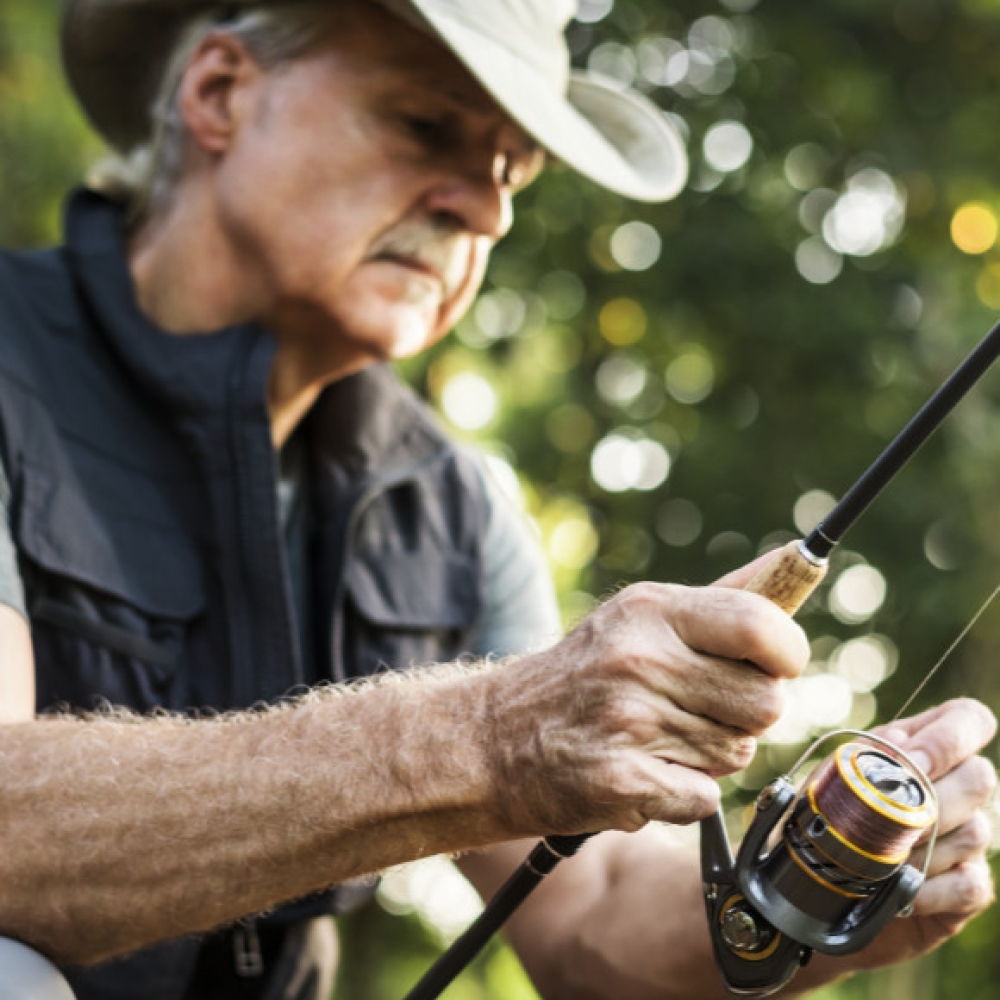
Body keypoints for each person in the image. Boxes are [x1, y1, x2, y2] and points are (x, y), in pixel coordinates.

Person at [0, 1, 993, 998]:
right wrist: (490, 738)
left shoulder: (455, 510)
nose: (487, 211)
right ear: (220, 94)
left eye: (512, 169)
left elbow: (592, 915)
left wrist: (819, 887)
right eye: (425, 126)